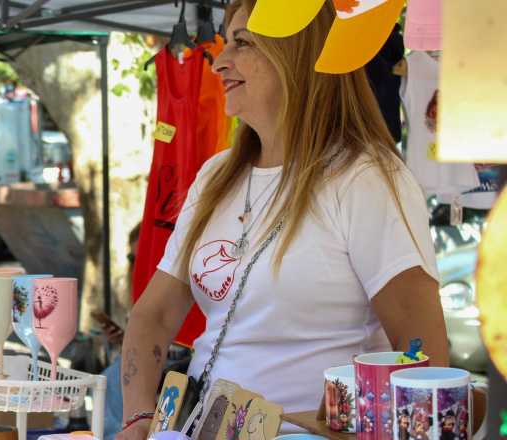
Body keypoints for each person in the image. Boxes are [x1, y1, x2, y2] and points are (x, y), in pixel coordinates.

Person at [118, 1, 450, 438]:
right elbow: (154, 315)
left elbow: (421, 352)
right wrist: (139, 419)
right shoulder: (216, 175)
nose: (220, 61)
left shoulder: (365, 178)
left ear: (297, 56)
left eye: (243, 43)